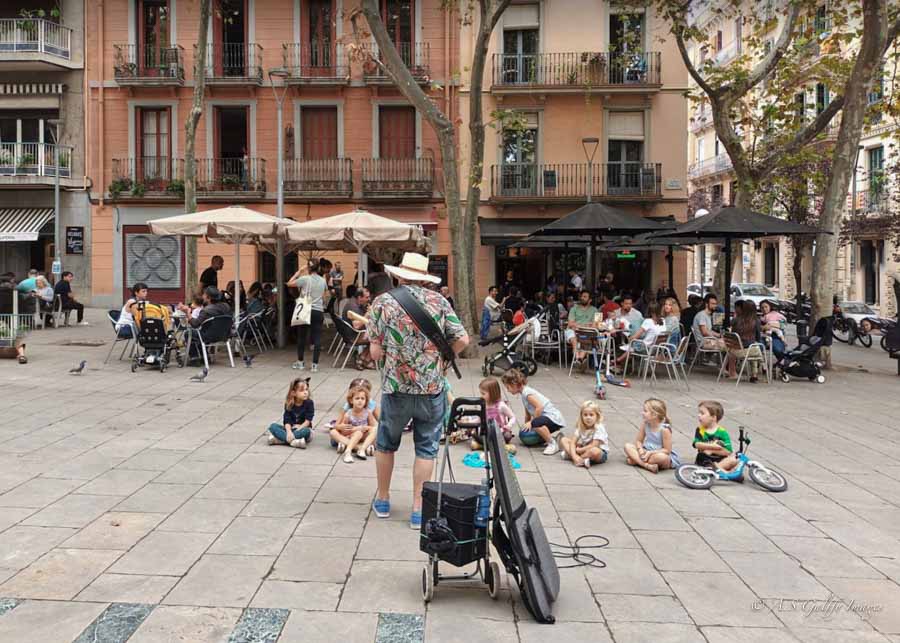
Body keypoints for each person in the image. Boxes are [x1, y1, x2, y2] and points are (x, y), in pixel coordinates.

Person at [367, 252, 468, 530]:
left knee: (386, 444)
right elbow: (462, 339)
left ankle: (384, 500)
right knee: (426, 448)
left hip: (395, 388)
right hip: (431, 388)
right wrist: (443, 360)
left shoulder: (382, 303)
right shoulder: (440, 301)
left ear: (399, 274)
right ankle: (417, 509)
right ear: (424, 277)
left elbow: (375, 353)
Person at [501, 368, 565, 455]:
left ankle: (552, 444)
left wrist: (531, 423)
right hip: (547, 418)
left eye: (508, 387)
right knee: (533, 425)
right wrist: (525, 428)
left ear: (514, 384)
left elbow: (539, 407)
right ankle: (557, 439)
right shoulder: (523, 394)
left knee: (535, 423)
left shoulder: (527, 393)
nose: (507, 390)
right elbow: (527, 414)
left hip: (553, 418)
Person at [288, 259, 328, 372]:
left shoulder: (305, 279)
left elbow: (289, 283)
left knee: (301, 336)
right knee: (317, 337)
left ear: (309, 268)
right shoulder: (323, 280)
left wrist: (299, 271)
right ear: (319, 268)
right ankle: (315, 365)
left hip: (305, 309)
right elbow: (325, 296)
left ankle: (300, 362)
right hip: (318, 311)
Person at [624, 398, 680, 473]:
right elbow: (638, 441)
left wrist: (650, 453)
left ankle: (637, 461)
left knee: (661, 457)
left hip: (658, 454)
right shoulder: (645, 424)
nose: (642, 413)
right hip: (646, 450)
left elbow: (667, 450)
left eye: (645, 411)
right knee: (627, 446)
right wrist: (640, 450)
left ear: (654, 415)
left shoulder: (664, 429)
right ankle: (647, 466)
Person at [331, 384, 378, 463]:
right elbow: (344, 431)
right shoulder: (348, 414)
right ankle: (351, 450)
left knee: (376, 430)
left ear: (366, 401)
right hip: (352, 435)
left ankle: (360, 449)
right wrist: (355, 429)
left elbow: (372, 427)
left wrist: (364, 428)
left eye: (362, 398)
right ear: (351, 400)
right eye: (357, 398)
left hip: (364, 435)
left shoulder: (368, 412)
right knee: (333, 432)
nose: (360, 401)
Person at [470, 377, 516, 453]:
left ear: (492, 393)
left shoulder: (501, 405)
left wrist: (509, 425)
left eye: (483, 394)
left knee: (507, 436)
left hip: (500, 432)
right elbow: (480, 419)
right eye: (481, 393)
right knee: (473, 433)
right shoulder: (484, 405)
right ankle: (501, 447)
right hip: (488, 432)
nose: (481, 396)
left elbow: (513, 417)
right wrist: (470, 422)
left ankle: (483, 445)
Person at [559, 400, 609, 468]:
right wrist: (574, 456)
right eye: (585, 415)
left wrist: (580, 450)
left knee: (594, 451)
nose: (588, 417)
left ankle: (576, 458)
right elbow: (573, 442)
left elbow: (594, 445)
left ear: (597, 416)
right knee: (564, 440)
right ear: (581, 416)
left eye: (591, 415)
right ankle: (577, 458)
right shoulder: (581, 426)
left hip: (599, 452)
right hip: (584, 447)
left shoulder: (599, 427)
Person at [616, 301, 666, 369]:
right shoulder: (663, 321)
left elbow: (635, 336)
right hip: (657, 349)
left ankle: (617, 362)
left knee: (628, 345)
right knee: (631, 348)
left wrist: (628, 336)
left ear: (649, 311)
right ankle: (618, 362)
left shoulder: (648, 321)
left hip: (646, 348)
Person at [268, 378, 314, 448]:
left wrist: (298, 428)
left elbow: (307, 421)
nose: (305, 392)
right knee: (273, 426)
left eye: (306, 389)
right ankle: (294, 442)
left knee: (307, 431)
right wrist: (289, 432)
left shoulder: (309, 403)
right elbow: (287, 420)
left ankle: (280, 440)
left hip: (302, 428)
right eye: (302, 390)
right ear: (293, 393)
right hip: (290, 428)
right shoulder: (289, 403)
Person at [692, 400, 736, 472]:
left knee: (733, 460)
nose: (698, 415)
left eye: (702, 413)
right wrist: (712, 446)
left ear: (713, 417)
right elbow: (696, 444)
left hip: (720, 460)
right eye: (699, 413)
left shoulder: (722, 432)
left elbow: (728, 451)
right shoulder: (700, 429)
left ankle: (716, 468)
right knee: (702, 456)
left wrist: (712, 450)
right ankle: (723, 472)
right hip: (705, 459)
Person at [726, 299, 763, 381]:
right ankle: (758, 370)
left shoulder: (736, 320)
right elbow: (758, 337)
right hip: (746, 350)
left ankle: (754, 374)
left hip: (734, 348)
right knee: (756, 347)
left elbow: (732, 332)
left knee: (754, 347)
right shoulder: (756, 321)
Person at [566, 289, 599, 371]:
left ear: (590, 300)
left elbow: (596, 325)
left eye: (585, 297)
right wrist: (586, 325)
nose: (582, 298)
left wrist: (579, 326)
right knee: (573, 337)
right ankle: (579, 358)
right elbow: (570, 324)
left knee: (590, 338)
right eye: (582, 296)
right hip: (573, 331)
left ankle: (579, 359)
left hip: (586, 333)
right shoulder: (574, 308)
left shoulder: (595, 310)